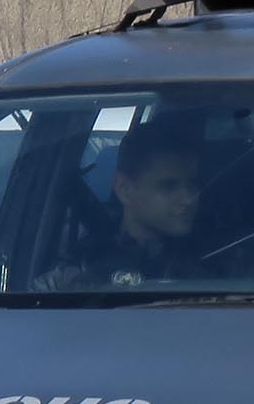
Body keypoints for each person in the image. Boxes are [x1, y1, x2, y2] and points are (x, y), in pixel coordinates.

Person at [36, 117, 210, 289]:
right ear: (125, 189)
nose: (188, 199)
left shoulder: (221, 262)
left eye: (191, 185)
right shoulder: (78, 268)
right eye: (169, 186)